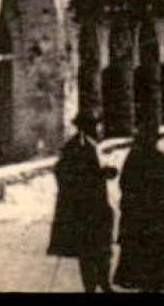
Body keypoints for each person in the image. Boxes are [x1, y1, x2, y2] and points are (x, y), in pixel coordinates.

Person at [113, 122, 164, 292]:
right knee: (163, 273)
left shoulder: (134, 159)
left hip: (143, 228)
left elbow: (125, 187)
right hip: (159, 228)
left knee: (149, 276)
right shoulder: (160, 160)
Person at [47, 110, 117, 292]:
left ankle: (103, 283)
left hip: (99, 205)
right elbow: (62, 172)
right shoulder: (75, 146)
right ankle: (92, 287)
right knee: (89, 250)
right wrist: (98, 175)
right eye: (94, 125)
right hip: (86, 208)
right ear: (86, 127)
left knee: (103, 247)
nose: (98, 128)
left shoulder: (93, 145)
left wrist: (103, 173)